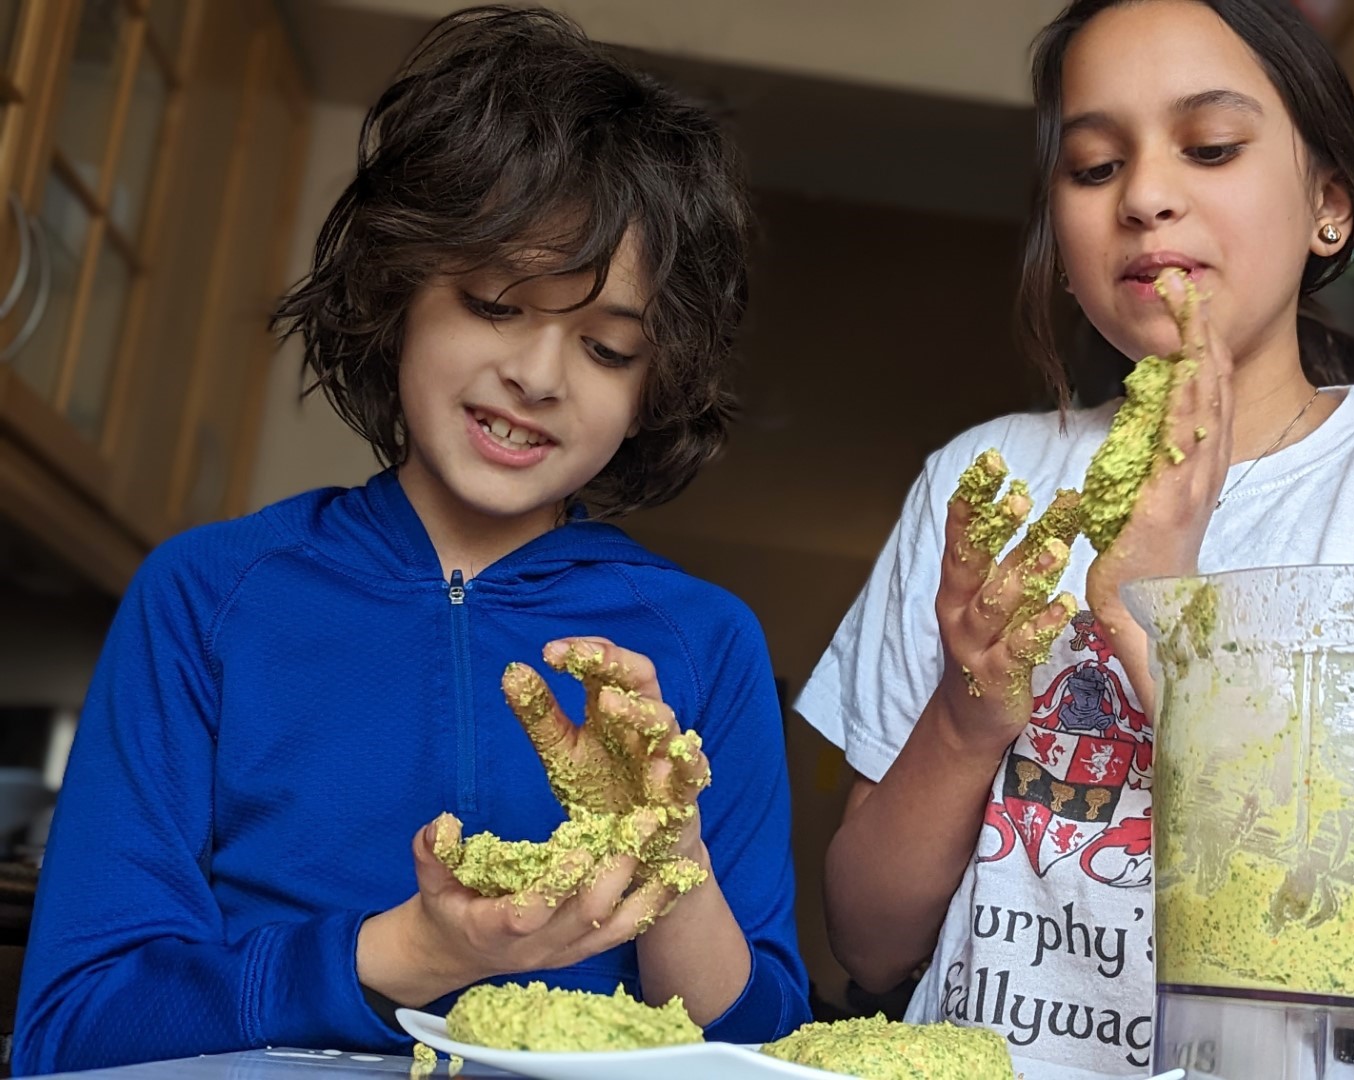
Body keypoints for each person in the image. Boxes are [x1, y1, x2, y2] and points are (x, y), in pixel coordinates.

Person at [796, 1, 1354, 1076]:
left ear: (1330, 206)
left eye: (1210, 148)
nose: (1146, 196)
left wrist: (1153, 618)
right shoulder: (979, 483)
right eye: (1092, 165)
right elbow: (870, 945)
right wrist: (966, 719)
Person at [13, 7, 808, 1072]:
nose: (538, 374)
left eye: (608, 348)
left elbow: (767, 1046)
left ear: (651, 386)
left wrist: (671, 858)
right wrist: (404, 953)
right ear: (399, 289)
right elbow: (74, 1024)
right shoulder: (205, 598)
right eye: (495, 301)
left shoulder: (703, 643)